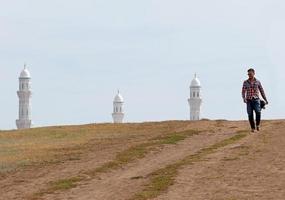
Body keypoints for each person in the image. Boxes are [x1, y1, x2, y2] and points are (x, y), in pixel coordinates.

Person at [242, 68, 268, 133]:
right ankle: (253, 128)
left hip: (256, 100)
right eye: (248, 74)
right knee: (250, 114)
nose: (249, 75)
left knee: (258, 112)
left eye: (250, 74)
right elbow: (243, 91)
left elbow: (262, 91)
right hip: (249, 100)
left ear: (254, 73)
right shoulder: (245, 82)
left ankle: (258, 125)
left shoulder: (258, 81)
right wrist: (244, 98)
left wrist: (265, 99)